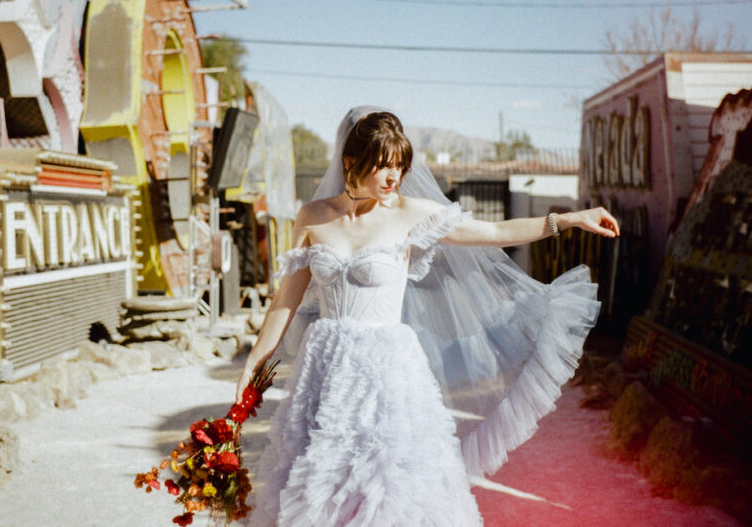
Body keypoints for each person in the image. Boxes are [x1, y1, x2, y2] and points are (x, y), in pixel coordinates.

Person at [237, 107, 619, 526]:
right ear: (350, 161)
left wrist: (567, 219)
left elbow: (493, 233)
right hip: (324, 373)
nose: (392, 176)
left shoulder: (410, 214)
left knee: (390, 489)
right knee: (319, 486)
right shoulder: (313, 216)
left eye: (399, 166)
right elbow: (284, 303)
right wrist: (252, 367)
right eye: (383, 165)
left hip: (387, 373)